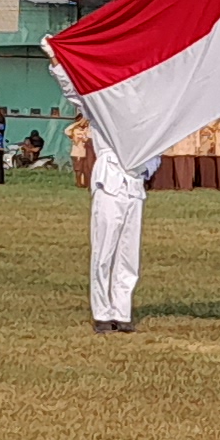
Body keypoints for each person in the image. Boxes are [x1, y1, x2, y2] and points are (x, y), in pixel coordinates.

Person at [85, 127, 155, 333]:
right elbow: (77, 96)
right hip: (109, 182)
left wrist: (149, 164)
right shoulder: (102, 105)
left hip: (134, 183)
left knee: (129, 254)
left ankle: (122, 311)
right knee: (103, 251)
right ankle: (102, 312)